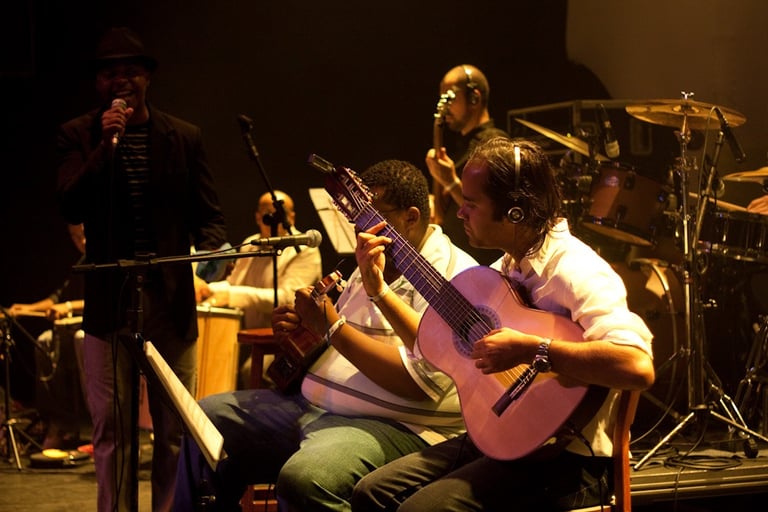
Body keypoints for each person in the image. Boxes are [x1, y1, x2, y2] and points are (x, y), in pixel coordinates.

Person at [351, 137, 655, 511]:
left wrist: (532, 349)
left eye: (471, 204)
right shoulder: (507, 268)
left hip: (571, 459)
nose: (460, 213)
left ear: (514, 213)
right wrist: (379, 290)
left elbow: (636, 367)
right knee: (371, 493)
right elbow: (435, 344)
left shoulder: (577, 271)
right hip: (506, 436)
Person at [173, 159, 478, 511]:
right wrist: (303, 331)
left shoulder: (455, 276)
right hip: (314, 404)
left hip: (394, 423)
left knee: (307, 478)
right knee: (206, 418)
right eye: (358, 220)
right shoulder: (376, 256)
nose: (361, 232)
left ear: (410, 217)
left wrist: (332, 326)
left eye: (372, 218)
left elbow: (420, 385)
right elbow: (339, 340)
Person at [56, 27, 228, 512]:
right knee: (112, 430)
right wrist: (106, 144)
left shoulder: (184, 137)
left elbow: (211, 217)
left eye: (130, 71)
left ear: (148, 78)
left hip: (171, 305)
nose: (121, 80)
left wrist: (203, 262)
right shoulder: (77, 135)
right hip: (108, 305)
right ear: (98, 83)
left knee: (174, 429)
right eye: (110, 73)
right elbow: (70, 203)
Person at [196, 189, 322, 387]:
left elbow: (287, 299)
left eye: (281, 214)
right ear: (258, 217)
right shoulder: (251, 244)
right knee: (207, 359)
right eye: (268, 214)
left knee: (252, 370)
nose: (274, 219)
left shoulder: (305, 249)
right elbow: (233, 285)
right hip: (249, 335)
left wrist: (228, 295)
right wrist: (206, 288)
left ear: (291, 217)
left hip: (288, 339)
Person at [8, 223, 87, 449]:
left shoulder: (105, 262)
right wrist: (25, 309)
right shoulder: (81, 263)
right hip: (70, 331)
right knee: (44, 341)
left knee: (80, 338)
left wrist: (69, 306)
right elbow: (56, 299)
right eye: (74, 237)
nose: (81, 241)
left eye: (83, 234)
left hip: (97, 331)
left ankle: (97, 419)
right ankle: (59, 422)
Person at [426, 64, 509, 265]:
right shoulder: (461, 147)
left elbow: (493, 212)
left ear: (474, 98)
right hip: (457, 260)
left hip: (482, 264)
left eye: (450, 97)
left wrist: (451, 182)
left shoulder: (495, 144)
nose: (445, 107)